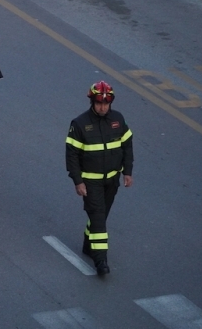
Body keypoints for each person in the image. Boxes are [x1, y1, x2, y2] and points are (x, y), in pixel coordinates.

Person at [66, 81, 133, 276]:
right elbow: (71, 155)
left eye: (106, 103)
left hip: (111, 181)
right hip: (90, 181)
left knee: (100, 216)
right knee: (98, 219)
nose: (103, 107)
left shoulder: (118, 120)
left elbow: (127, 146)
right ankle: (100, 260)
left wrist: (127, 171)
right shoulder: (79, 124)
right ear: (92, 102)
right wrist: (78, 181)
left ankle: (88, 245)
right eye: (99, 103)